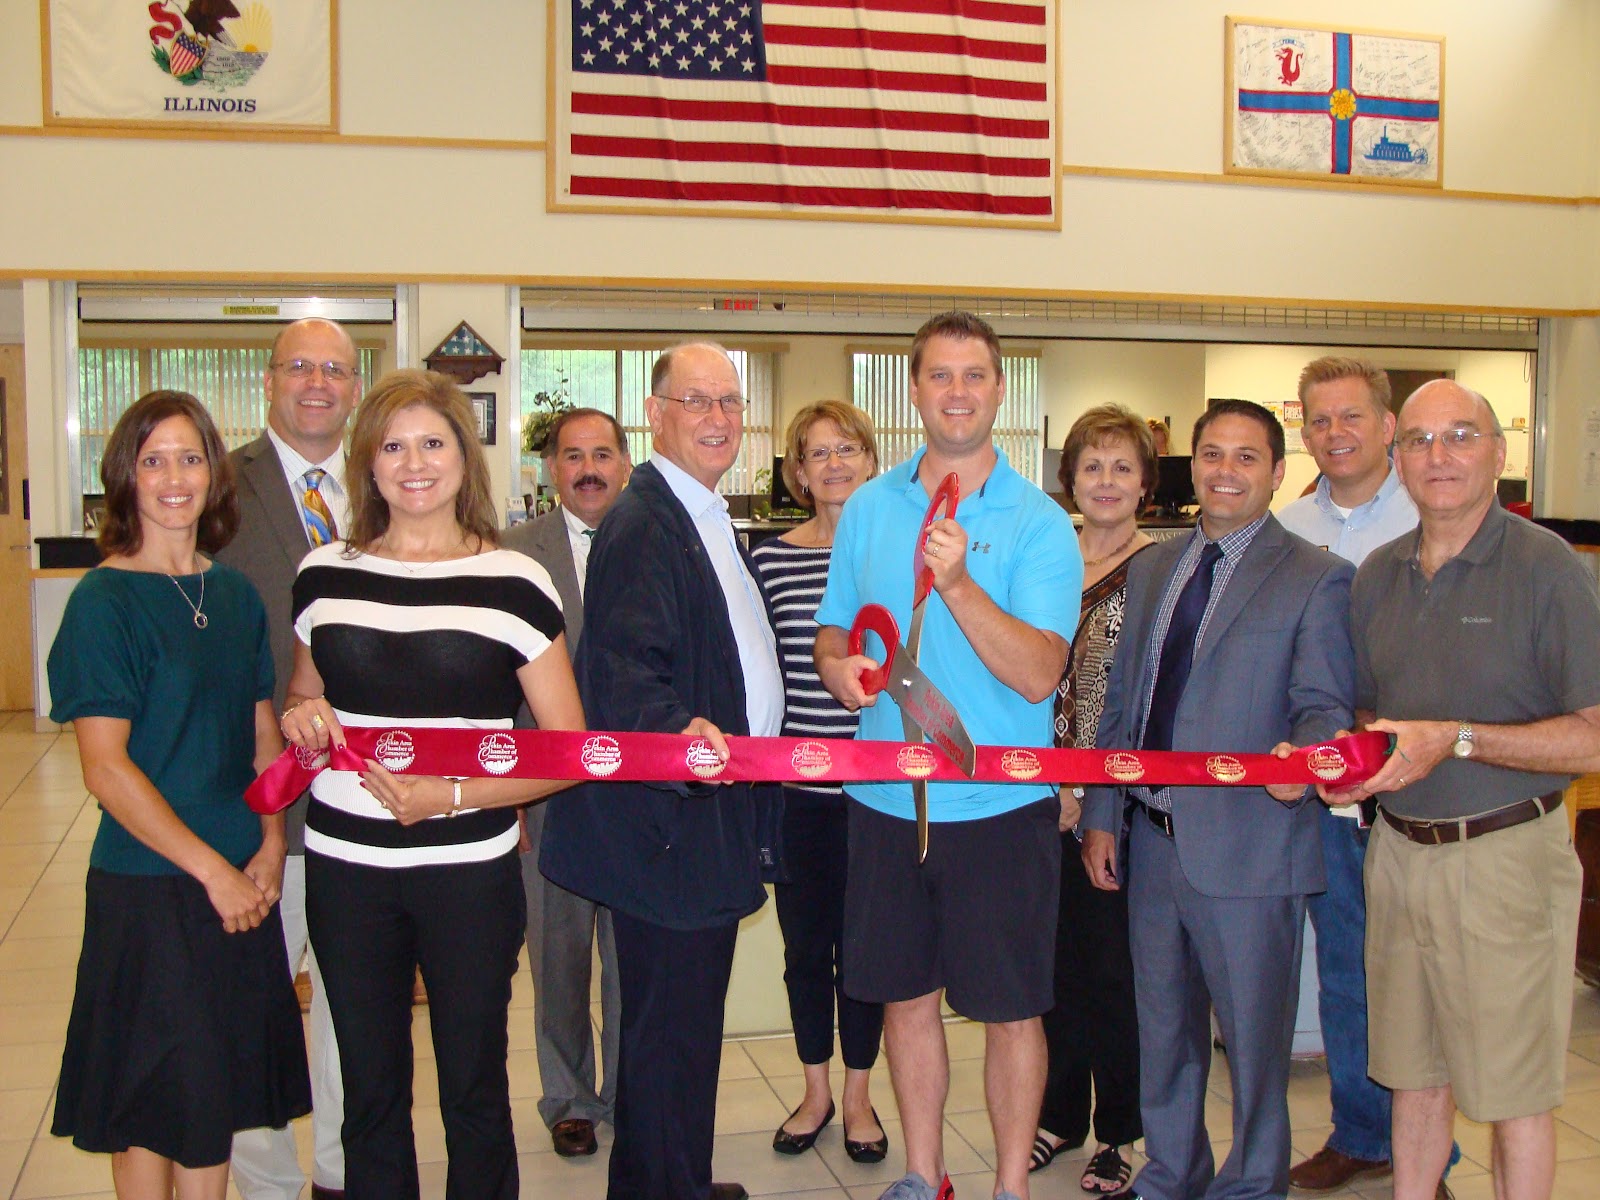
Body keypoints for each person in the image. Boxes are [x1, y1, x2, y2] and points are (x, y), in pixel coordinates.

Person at [279, 369, 585, 1200]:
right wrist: (300, 718)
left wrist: (446, 798)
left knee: (475, 1089)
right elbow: (305, 699)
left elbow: (564, 748)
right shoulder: (324, 573)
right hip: (346, 869)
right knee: (370, 1092)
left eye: (433, 443)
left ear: (464, 459)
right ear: (367, 465)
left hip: (469, 874)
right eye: (392, 445)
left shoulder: (516, 581)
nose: (413, 463)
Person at [815, 311, 1082, 1200]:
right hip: (887, 801)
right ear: (914, 389)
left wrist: (961, 584)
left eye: (975, 376)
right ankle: (923, 1175)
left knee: (1010, 1011)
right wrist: (844, 673)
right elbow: (832, 632)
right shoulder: (870, 508)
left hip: (1000, 810)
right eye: (939, 376)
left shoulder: (1041, 524)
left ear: (1000, 389)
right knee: (903, 997)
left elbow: (1043, 672)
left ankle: (1009, 1185)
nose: (957, 392)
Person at [1320, 379, 1600, 1200]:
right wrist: (1331, 758)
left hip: (1505, 857)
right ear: (1396, 456)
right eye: (1419, 440)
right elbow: (1376, 716)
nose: (1438, 457)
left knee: (1514, 1093)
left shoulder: (1548, 569)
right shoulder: (1377, 575)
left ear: (1499, 453)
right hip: (1399, 855)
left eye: (1460, 437)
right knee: (1414, 1077)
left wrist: (1462, 739)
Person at [1080, 399, 1355, 1200]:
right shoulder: (1158, 565)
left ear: (1277, 472)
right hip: (1153, 838)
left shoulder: (1317, 576)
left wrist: (1305, 753)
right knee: (1162, 1032)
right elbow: (1125, 700)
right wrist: (1104, 814)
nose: (1225, 471)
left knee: (1254, 1041)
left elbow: (1324, 705)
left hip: (1253, 845)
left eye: (1245, 457)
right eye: (1210, 454)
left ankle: (1254, 1181)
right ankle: (1172, 1172)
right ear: (1190, 465)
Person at [47, 389, 311, 1200]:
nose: (173, 477)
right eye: (152, 459)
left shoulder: (230, 595)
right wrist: (214, 871)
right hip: (152, 886)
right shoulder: (103, 601)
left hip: (237, 877)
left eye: (190, 457)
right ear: (125, 477)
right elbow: (106, 770)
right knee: (149, 1096)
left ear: (214, 475)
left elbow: (261, 734)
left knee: (217, 1093)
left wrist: (267, 842)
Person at [540, 342, 784, 1200]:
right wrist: (685, 736)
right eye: (697, 401)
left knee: (677, 1034)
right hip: (669, 830)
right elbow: (621, 679)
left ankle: (675, 1178)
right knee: (666, 1036)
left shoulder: (702, 512)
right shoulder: (644, 522)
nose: (718, 418)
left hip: (706, 821)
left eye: (729, 401)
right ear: (657, 413)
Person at [1275, 357, 1437, 1196]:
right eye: (1319, 420)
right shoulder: (1287, 525)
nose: (1335, 433)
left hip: (1415, 795)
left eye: (1351, 417)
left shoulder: (1431, 517)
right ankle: (1361, 1132)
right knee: (1343, 969)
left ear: (1385, 424)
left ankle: (1427, 1153)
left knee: (1417, 979)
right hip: (1325, 799)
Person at [218, 317, 359, 1200]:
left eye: (336, 369)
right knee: (253, 1001)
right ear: (268, 380)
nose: (318, 382)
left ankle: (342, 1172)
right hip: (254, 799)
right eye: (300, 366)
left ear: (355, 385)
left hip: (368, 799)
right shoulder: (218, 485)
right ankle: (264, 1179)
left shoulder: (394, 480)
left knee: (355, 1003)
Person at [751, 401, 887, 1163]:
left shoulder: (897, 555)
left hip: (880, 795)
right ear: (798, 473)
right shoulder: (768, 560)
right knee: (805, 950)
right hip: (799, 796)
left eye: (848, 449)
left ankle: (862, 1098)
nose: (834, 464)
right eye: (817, 454)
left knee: (865, 951)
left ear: (870, 460)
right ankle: (815, 1091)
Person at [502, 406, 631, 1159]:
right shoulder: (514, 555)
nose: (589, 469)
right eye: (573, 455)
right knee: (556, 954)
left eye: (603, 454)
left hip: (635, 792)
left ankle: (627, 1090)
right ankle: (569, 1097)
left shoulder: (654, 542)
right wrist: (506, 793)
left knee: (631, 954)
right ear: (552, 469)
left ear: (624, 463)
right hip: (545, 792)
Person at [1030, 406, 1153, 1192]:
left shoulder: (1164, 570)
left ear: (1145, 482)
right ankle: (1057, 1114)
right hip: (1032, 794)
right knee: (1049, 968)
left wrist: (1089, 789)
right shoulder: (1045, 555)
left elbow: (1142, 696)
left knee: (1114, 973)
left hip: (1115, 804)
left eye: (1122, 467)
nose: (1105, 482)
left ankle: (1121, 1132)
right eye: (1091, 466)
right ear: (1068, 478)